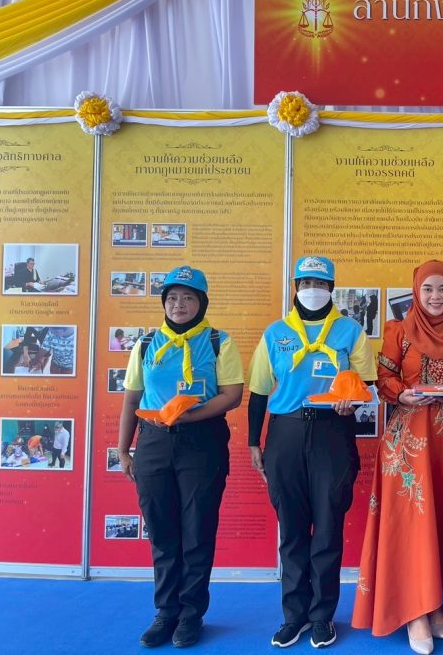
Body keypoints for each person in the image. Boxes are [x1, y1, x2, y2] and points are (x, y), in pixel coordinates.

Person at [353, 260, 443, 653]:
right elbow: (384, 379)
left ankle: (436, 604)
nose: (435, 296)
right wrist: (403, 393)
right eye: (428, 289)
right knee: (413, 524)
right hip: (408, 442)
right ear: (416, 292)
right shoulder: (398, 331)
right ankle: (416, 612)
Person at [247, 256, 377, 650]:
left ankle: (322, 616)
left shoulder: (350, 331)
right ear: (296, 287)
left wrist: (353, 402)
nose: (312, 290)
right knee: (291, 529)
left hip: (332, 432)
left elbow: (368, 385)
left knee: (327, 527)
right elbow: (258, 391)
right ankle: (294, 616)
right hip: (285, 433)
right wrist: (254, 442)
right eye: (305, 283)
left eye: (319, 283)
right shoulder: (276, 333)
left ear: (331, 288)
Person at [116, 266, 244, 649]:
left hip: (202, 442)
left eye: (188, 298)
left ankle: (191, 615)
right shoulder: (146, 344)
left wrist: (189, 415)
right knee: (161, 531)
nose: (179, 304)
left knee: (197, 530)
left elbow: (232, 395)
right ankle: (165, 612)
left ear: (201, 302)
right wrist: (123, 449)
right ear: (164, 302)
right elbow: (132, 398)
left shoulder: (218, 342)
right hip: (153, 443)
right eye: (172, 298)